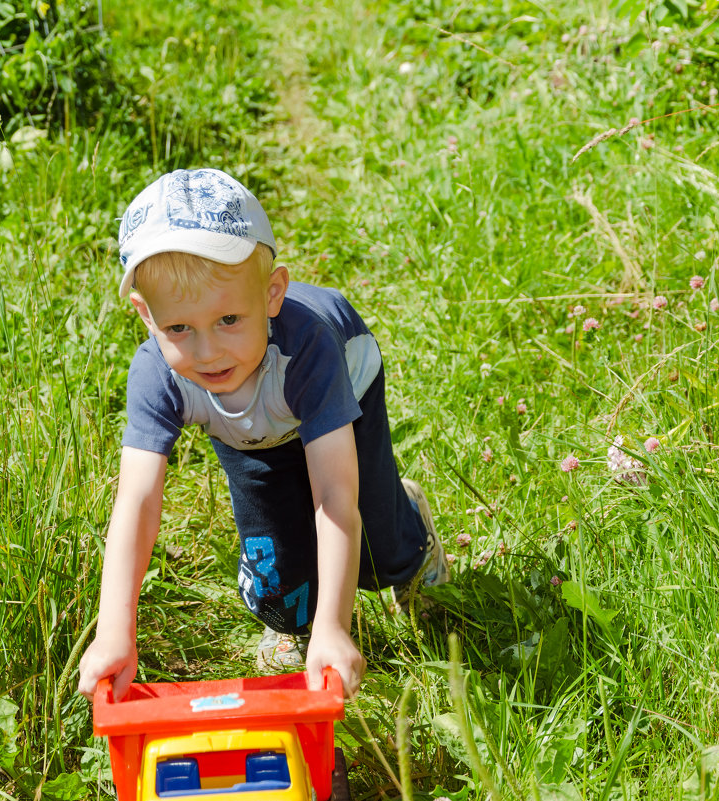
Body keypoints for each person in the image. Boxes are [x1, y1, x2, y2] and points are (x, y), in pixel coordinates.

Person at [76, 168, 448, 700]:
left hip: (342, 391)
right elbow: (136, 498)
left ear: (273, 294)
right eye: (179, 328)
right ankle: (295, 622)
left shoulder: (311, 348)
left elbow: (335, 494)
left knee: (380, 539)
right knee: (278, 580)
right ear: (146, 316)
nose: (207, 353)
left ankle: (410, 526)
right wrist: (114, 631)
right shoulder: (159, 373)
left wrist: (334, 628)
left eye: (229, 318)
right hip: (248, 434)